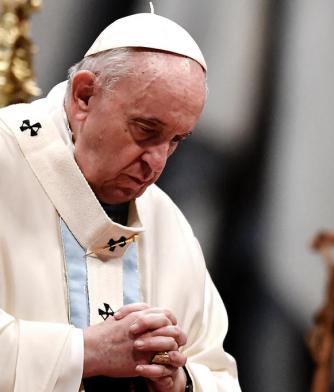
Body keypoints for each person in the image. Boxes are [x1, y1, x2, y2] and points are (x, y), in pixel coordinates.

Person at [0, 11, 241, 392]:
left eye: (176, 141)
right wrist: (84, 353)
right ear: (84, 96)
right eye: (146, 130)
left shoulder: (166, 221)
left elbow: (220, 373)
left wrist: (177, 379)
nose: (157, 163)